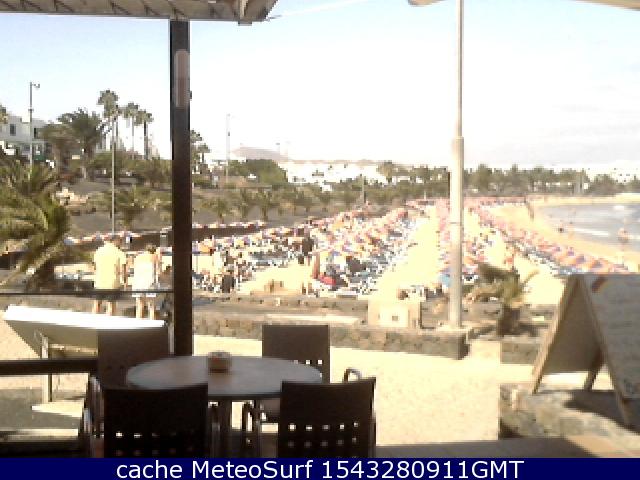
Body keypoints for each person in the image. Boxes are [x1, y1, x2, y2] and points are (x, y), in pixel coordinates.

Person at [92, 235, 127, 315]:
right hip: (112, 283)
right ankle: (109, 321)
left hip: (99, 282)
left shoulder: (99, 250)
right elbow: (123, 269)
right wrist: (125, 282)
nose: (121, 244)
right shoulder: (119, 252)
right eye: (120, 242)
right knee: (111, 305)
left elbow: (94, 267)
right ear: (117, 241)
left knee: (97, 303)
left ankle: (93, 320)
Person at [131, 244, 160, 319]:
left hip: (138, 283)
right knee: (151, 306)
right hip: (149, 282)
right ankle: (152, 323)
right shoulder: (154, 256)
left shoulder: (138, 257)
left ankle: (138, 322)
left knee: (139, 305)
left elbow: (133, 268)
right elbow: (158, 271)